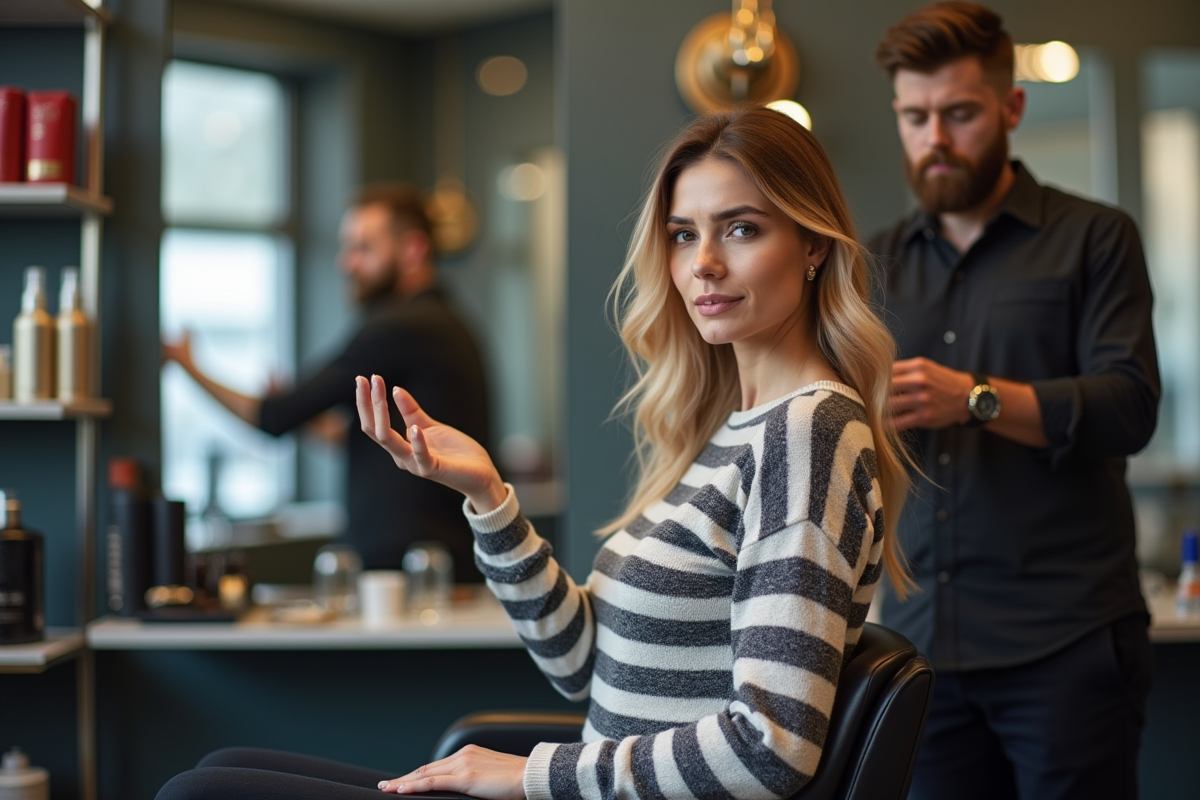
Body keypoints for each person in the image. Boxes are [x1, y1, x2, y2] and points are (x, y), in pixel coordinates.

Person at [154, 106, 913, 800]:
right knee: (214, 774)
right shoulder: (732, 429)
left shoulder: (807, 431)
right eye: (684, 233)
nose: (703, 263)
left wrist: (531, 776)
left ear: (813, 245)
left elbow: (769, 747)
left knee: (197, 796)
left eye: (741, 228)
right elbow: (584, 666)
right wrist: (487, 496)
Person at [869, 4, 1160, 799]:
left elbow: (1130, 408)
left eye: (958, 114)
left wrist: (979, 399)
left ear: (1011, 108)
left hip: (1064, 646)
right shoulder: (874, 265)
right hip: (920, 652)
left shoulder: (1097, 237)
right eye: (915, 116)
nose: (935, 138)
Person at [163, 184, 490, 581]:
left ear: (413, 250)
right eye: (346, 246)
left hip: (414, 572)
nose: (346, 263)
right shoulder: (443, 322)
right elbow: (384, 439)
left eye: (364, 248)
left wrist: (187, 365)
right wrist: (309, 420)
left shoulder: (401, 327)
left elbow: (273, 417)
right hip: (432, 562)